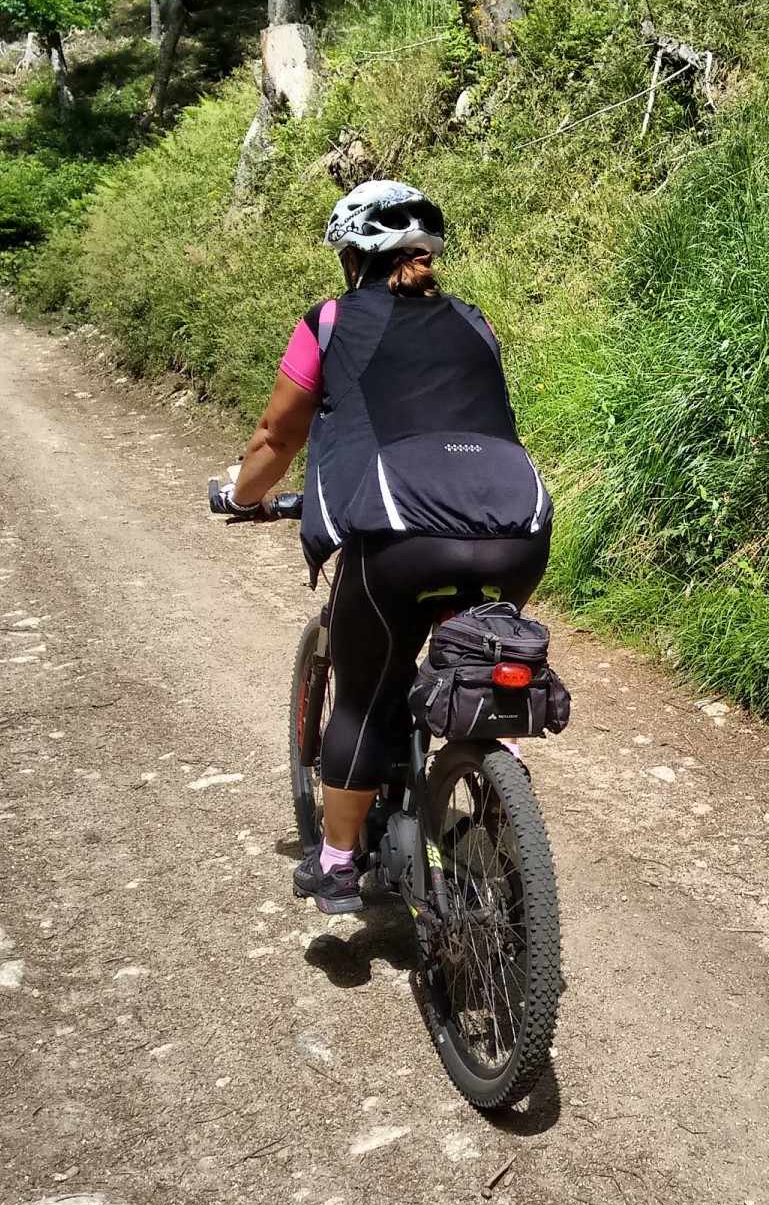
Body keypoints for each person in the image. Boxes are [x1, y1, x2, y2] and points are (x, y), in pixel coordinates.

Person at [221, 180, 552, 914]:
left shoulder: (330, 321)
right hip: (516, 525)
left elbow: (278, 434)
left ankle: (338, 863)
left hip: (404, 533)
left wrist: (243, 497)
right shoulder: (475, 322)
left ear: (352, 257)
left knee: (365, 700)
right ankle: (492, 782)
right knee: (479, 658)